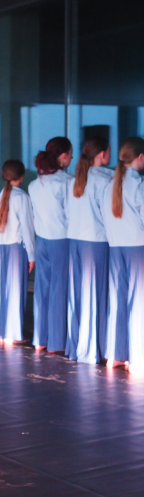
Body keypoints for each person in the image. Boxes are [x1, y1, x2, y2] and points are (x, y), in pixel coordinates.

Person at [66, 136, 112, 364]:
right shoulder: (105, 180)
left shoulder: (74, 180)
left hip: (74, 241)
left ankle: (77, 347)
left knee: (77, 296)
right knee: (96, 295)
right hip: (96, 242)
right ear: (103, 154)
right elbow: (109, 215)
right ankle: (93, 349)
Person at [102, 137, 144, 373]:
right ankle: (138, 358)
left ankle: (116, 355)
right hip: (138, 248)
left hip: (115, 247)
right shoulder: (139, 185)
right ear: (141, 158)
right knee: (139, 303)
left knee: (118, 300)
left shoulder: (110, 186)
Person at [28, 137, 73, 352]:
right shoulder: (66, 182)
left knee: (42, 290)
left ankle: (41, 338)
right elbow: (71, 214)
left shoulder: (34, 184)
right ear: (63, 156)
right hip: (61, 240)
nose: (72, 158)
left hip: (42, 240)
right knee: (59, 290)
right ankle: (56, 341)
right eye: (70, 154)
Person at [0, 160, 35, 344]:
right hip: (18, 248)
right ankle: (13, 334)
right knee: (17, 290)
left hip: (4, 248)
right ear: (21, 176)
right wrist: (31, 254)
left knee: (3, 290)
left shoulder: (0, 196)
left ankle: (1, 331)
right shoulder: (22, 197)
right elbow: (27, 229)